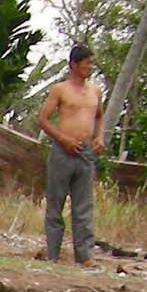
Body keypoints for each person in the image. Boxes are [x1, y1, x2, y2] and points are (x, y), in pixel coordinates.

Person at [37, 44, 104, 264]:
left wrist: (99, 137)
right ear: (74, 65)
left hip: (85, 151)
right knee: (55, 202)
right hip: (63, 150)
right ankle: (53, 253)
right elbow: (43, 119)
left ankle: (84, 255)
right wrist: (62, 139)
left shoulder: (95, 91)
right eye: (86, 63)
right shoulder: (60, 89)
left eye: (91, 63)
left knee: (83, 205)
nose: (90, 67)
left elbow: (99, 117)